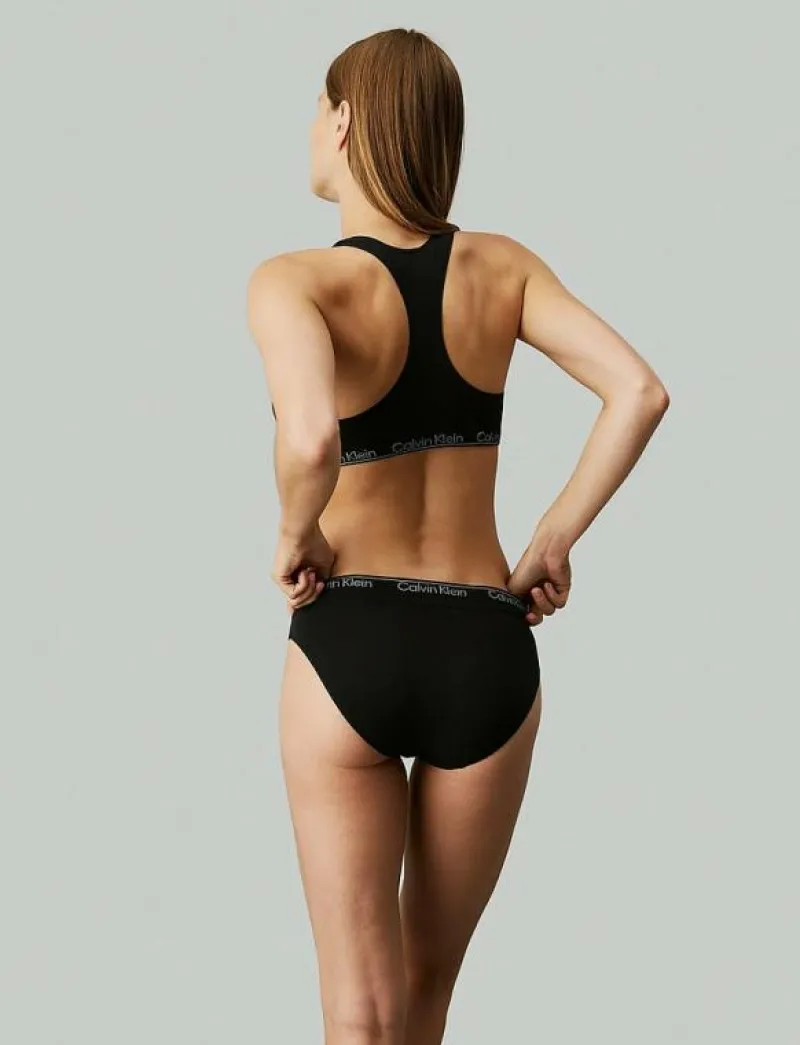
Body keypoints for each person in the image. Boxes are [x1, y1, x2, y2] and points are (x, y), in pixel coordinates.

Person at [246, 27, 669, 1045]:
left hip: (350, 637)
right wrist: (552, 537)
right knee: (424, 998)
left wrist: (296, 535)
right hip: (485, 643)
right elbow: (637, 390)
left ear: (344, 121)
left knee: (359, 1013)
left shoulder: (293, 282)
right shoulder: (502, 267)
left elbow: (310, 437)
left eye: (316, 106)